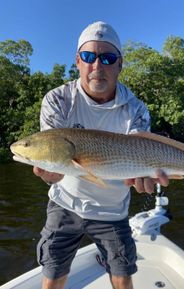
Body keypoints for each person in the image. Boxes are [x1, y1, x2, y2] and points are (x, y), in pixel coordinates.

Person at [33, 21, 169, 289]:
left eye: (107, 58)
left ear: (120, 64)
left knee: (122, 275)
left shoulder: (136, 110)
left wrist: (144, 177)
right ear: (78, 61)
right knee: (52, 273)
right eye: (88, 56)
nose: (97, 65)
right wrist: (50, 175)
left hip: (112, 211)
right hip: (65, 203)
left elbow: (141, 157)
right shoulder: (58, 100)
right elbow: (52, 153)